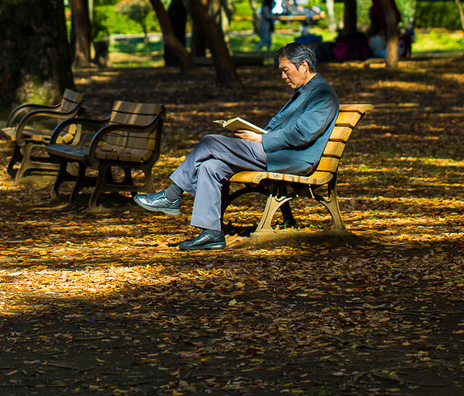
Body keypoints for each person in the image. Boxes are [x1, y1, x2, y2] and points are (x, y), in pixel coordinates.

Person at [133, 42, 340, 251]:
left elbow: (302, 134)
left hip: (292, 159)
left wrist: (262, 139)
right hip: (278, 152)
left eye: (286, 71)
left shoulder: (322, 94)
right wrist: (260, 135)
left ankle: (171, 195)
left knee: (210, 142)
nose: (283, 77)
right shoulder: (306, 91)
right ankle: (212, 233)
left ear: (303, 66)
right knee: (210, 167)